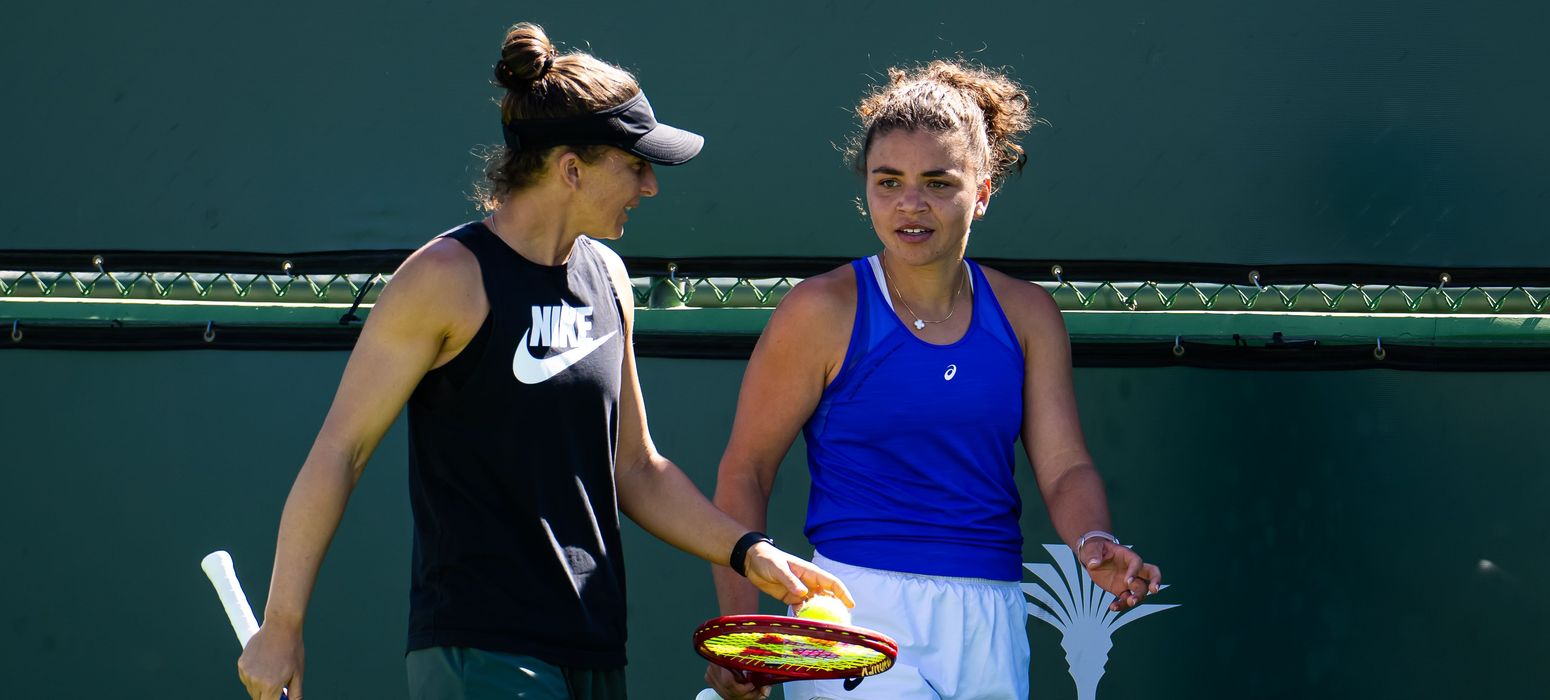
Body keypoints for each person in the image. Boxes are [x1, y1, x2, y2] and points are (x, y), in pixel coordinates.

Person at [234, 22, 852, 700]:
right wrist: (282, 624)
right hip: (480, 650)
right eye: (636, 165)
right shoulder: (445, 278)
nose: (649, 186)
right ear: (571, 168)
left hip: (594, 644)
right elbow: (340, 451)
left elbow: (636, 468)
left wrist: (748, 551)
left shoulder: (608, 277)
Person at [706, 60, 1162, 700]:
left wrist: (1094, 540)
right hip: (849, 610)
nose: (910, 204)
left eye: (938, 183)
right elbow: (745, 471)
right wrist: (741, 632)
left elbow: (1065, 468)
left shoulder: (1028, 315)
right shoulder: (820, 311)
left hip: (992, 618)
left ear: (982, 190)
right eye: (888, 182)